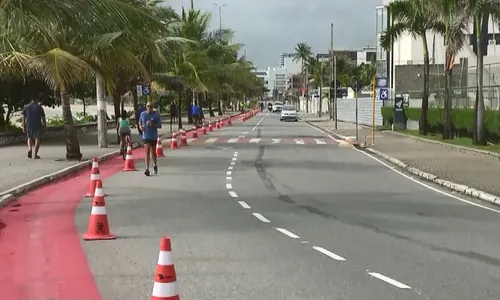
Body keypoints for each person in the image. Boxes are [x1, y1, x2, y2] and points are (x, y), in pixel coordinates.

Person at [139, 101, 162, 176]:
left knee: (153, 152)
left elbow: (160, 125)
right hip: (145, 136)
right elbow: (140, 122)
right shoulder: (143, 114)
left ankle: (155, 165)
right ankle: (147, 169)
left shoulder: (156, 115)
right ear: (146, 107)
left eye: (151, 106)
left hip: (153, 136)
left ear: (153, 108)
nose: (149, 108)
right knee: (147, 151)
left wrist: (153, 125)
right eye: (148, 106)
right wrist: (140, 127)